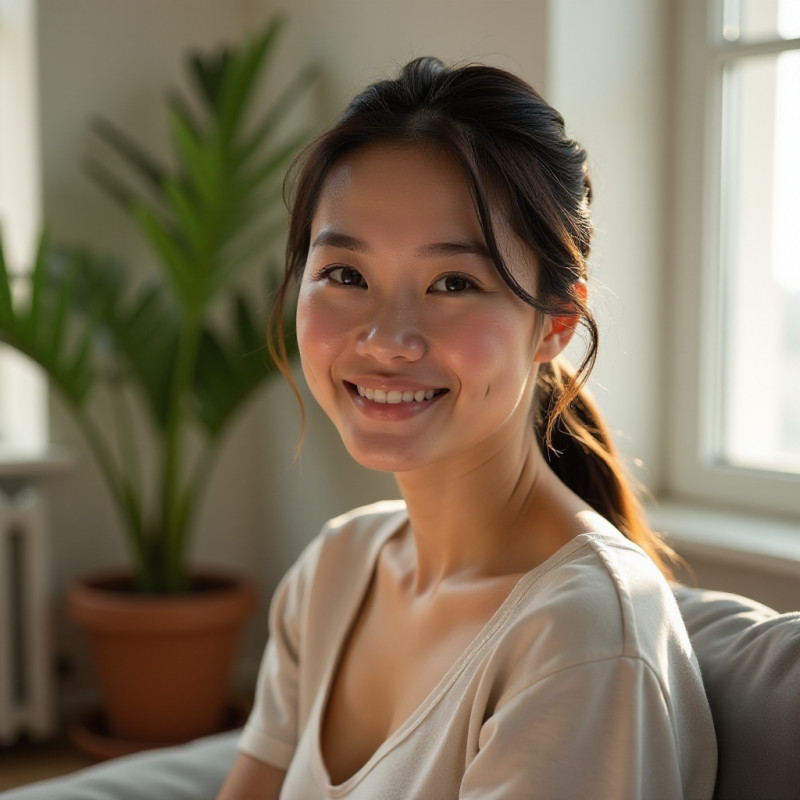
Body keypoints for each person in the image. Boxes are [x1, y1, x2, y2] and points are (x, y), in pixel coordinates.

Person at [217, 57, 717, 799]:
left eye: (453, 283)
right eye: (346, 276)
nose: (386, 339)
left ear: (555, 324)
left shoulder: (583, 636)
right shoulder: (334, 572)